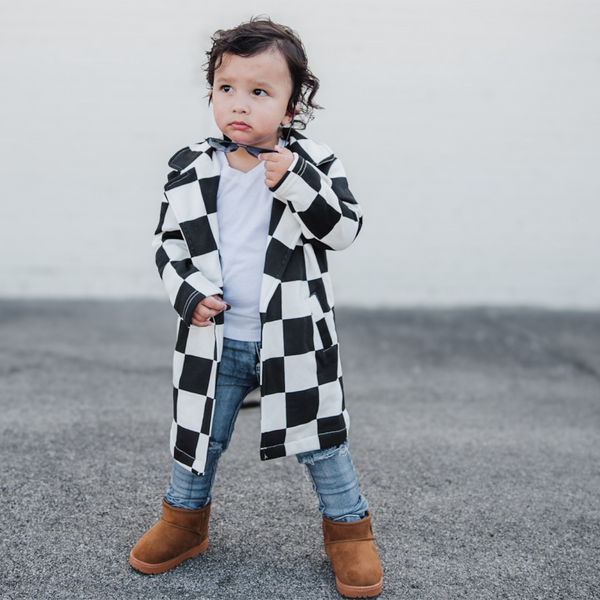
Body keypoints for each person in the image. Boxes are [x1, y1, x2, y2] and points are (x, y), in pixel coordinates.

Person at [129, 16, 382, 598]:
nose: (238, 104)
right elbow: (167, 243)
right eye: (227, 88)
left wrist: (294, 180)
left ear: (292, 109)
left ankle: (349, 532)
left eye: (260, 92)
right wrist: (189, 295)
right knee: (200, 434)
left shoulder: (313, 163)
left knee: (322, 437)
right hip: (216, 335)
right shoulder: (189, 166)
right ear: (212, 93)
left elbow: (343, 230)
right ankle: (183, 522)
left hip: (292, 335)